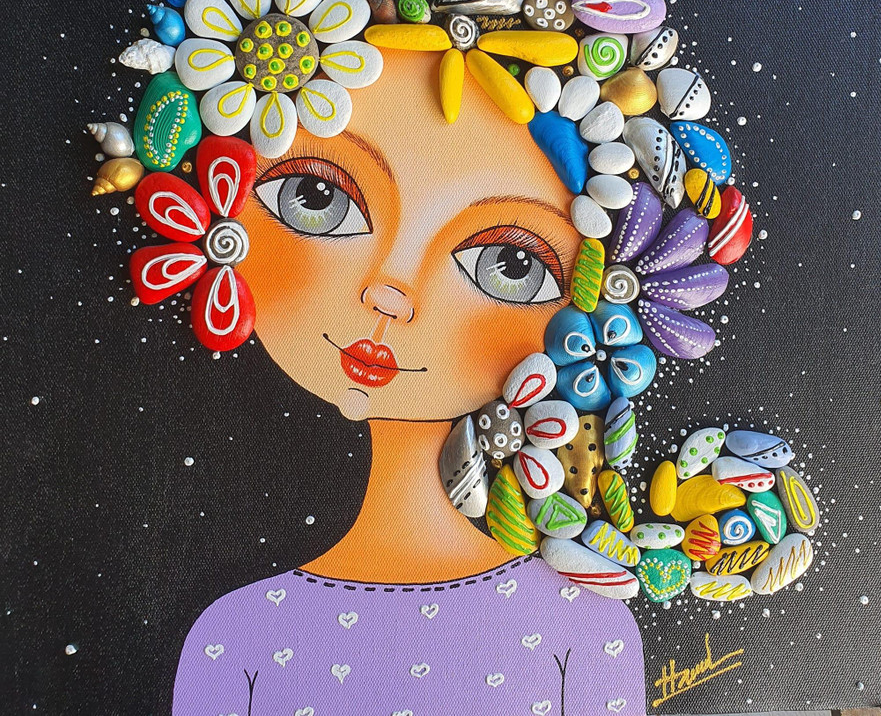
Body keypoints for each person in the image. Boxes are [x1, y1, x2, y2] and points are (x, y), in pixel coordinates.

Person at [171, 50, 646, 715]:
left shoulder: (585, 633)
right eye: (317, 197)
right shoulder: (235, 639)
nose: (390, 290)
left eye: (510, 263)